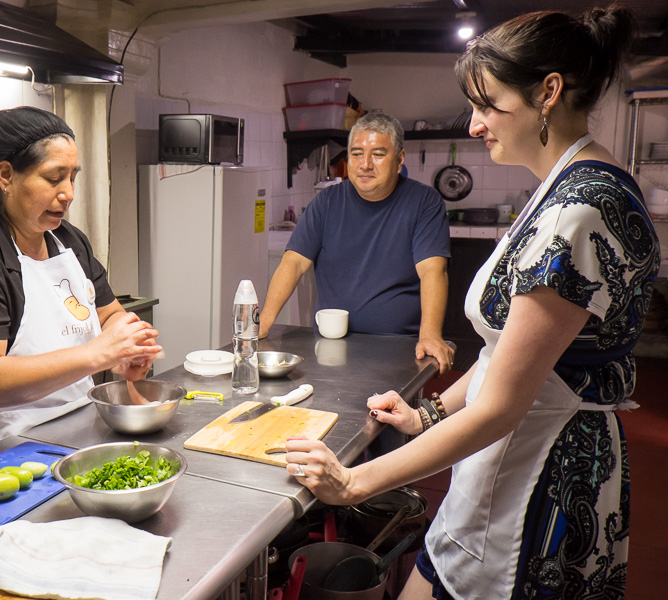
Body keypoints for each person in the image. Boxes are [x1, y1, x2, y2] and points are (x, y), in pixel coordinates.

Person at [284, 6, 659, 599]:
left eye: (488, 104)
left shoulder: (579, 211)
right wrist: (426, 414)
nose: (477, 123)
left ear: (548, 93)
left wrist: (354, 483)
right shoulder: (564, 189)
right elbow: (503, 354)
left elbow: (501, 406)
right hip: (503, 464)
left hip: (538, 480)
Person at [0, 107, 162, 461]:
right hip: (1, 452)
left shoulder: (68, 241)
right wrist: (95, 354)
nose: (68, 193)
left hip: (80, 432)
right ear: (6, 175)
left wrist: (128, 345)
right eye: (54, 178)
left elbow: (110, 314)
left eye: (73, 177)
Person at [259, 112, 454, 374]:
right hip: (330, 347)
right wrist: (264, 322)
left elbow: (433, 270)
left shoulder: (424, 202)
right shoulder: (326, 203)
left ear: (399, 159)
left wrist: (430, 335)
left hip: (399, 348)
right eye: (357, 153)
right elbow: (293, 263)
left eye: (378, 153)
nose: (365, 164)